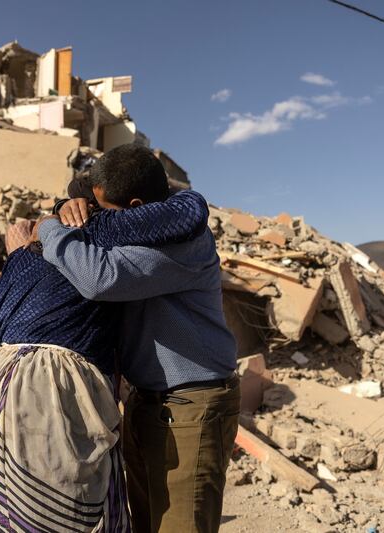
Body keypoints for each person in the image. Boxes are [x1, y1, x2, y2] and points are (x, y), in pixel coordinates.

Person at [0, 169, 209, 532]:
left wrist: (21, 264)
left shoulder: (25, 254)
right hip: (57, 391)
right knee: (70, 495)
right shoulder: (101, 234)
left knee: (5, 497)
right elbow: (189, 214)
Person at [38, 144, 240, 533]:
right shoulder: (145, 224)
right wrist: (69, 204)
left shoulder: (182, 241)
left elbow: (99, 277)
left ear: (135, 206)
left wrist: (49, 228)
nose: (100, 222)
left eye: (106, 212)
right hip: (151, 401)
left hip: (191, 407)